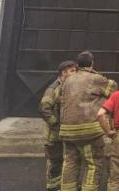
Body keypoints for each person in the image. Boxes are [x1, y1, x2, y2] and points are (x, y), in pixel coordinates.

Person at [59, 51, 117, 191]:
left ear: (77, 65)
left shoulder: (67, 80)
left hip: (67, 130)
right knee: (93, 163)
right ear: (92, 63)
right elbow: (113, 88)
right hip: (89, 130)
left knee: (70, 162)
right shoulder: (96, 79)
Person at [39, 60, 77, 191]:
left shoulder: (70, 87)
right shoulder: (53, 89)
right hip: (54, 136)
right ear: (64, 73)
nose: (75, 73)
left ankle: (63, 186)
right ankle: (53, 186)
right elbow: (44, 109)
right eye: (72, 71)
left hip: (66, 134)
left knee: (68, 162)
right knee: (55, 162)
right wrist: (56, 125)